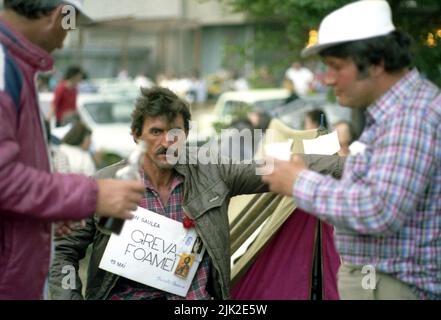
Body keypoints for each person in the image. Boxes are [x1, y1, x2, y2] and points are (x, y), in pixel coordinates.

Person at [49, 87, 344, 300]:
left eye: (175, 132)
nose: (167, 142)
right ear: (136, 136)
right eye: (156, 132)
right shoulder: (105, 183)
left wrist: (353, 166)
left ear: (186, 134)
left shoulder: (213, 172)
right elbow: (62, 251)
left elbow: (278, 167)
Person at [262, 0, 441, 300]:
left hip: (392, 285)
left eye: (336, 66)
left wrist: (298, 181)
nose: (327, 79)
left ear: (376, 62)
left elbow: (379, 209)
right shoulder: (398, 111)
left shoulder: (411, 116)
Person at [0, 0, 145, 299]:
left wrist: (51, 211)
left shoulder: (15, 67)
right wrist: (93, 195)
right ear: (58, 16)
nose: (66, 38)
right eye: (70, 25)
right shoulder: (4, 68)